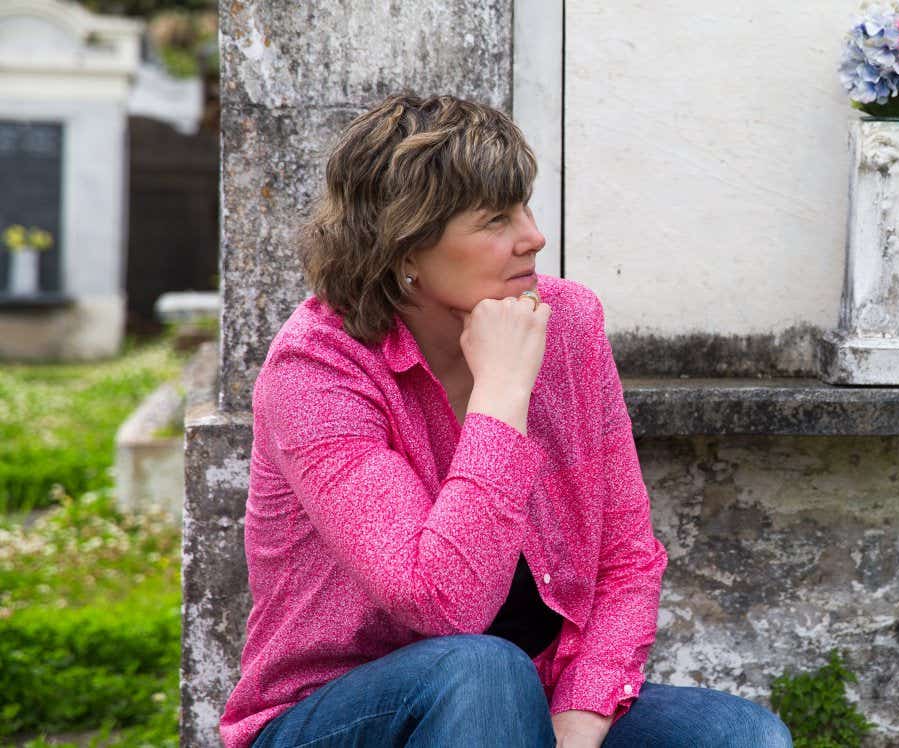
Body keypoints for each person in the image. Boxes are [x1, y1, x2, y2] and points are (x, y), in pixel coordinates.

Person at [218, 93, 793, 748]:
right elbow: (443, 603)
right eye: (496, 219)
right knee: (484, 669)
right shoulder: (317, 372)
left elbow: (627, 557)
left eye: (524, 206)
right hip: (341, 719)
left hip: (534, 701)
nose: (533, 236)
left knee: (743, 737)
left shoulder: (568, 321)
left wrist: (578, 723)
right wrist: (501, 394)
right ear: (405, 249)